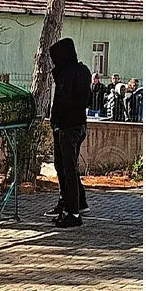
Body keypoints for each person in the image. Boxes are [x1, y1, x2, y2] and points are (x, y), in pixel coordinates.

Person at [44, 37, 92, 228]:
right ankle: (74, 204)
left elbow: (65, 101)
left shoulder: (69, 73)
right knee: (66, 166)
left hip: (67, 127)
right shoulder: (79, 71)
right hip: (74, 125)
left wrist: (58, 122)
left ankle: (72, 211)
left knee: (67, 168)